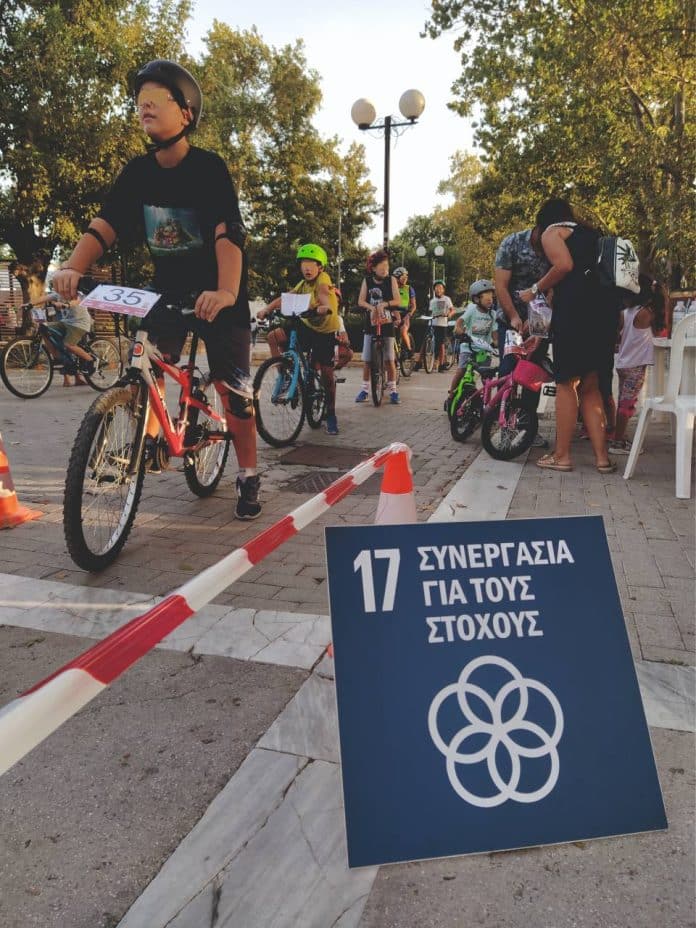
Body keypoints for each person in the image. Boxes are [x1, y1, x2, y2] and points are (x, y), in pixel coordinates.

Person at [52, 59, 261, 519]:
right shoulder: (137, 173)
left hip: (217, 295)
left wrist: (226, 292)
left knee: (233, 392)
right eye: (139, 100)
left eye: (155, 99)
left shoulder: (209, 169)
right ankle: (147, 442)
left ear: (185, 113)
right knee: (145, 362)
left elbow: (229, 233)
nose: (143, 106)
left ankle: (248, 474)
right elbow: (104, 226)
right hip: (166, 289)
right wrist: (71, 267)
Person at [519, 197, 620, 474]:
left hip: (577, 316)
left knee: (566, 384)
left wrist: (535, 289)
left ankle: (561, 456)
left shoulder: (554, 232)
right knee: (590, 386)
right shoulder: (592, 234)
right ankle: (602, 458)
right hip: (603, 315)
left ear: (544, 221)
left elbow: (563, 266)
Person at [257, 243, 341, 435]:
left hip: (325, 330)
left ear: (320, 267)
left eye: (312, 263)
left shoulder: (323, 279)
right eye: (304, 262)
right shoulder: (303, 285)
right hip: (308, 325)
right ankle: (284, 375)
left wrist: (324, 306)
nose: (307, 267)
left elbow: (323, 295)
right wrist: (266, 309)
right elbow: (286, 298)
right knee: (273, 337)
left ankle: (331, 413)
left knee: (327, 375)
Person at [494, 220, 552, 449]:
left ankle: (529, 427)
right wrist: (514, 317)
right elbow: (500, 285)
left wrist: (536, 322)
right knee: (508, 371)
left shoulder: (555, 247)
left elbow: (552, 289)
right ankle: (504, 425)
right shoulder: (512, 243)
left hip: (540, 322)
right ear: (538, 228)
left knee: (532, 377)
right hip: (510, 320)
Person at [609, 276, 666, 455]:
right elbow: (662, 330)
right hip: (636, 366)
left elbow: (618, 335)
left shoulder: (625, 313)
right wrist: (663, 297)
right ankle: (617, 443)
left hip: (623, 363)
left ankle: (620, 436)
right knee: (628, 403)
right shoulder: (646, 313)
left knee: (623, 401)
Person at [355, 249, 401, 404]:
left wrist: (384, 304)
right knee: (368, 359)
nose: (384, 268)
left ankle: (393, 390)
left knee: (389, 358)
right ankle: (365, 389)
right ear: (373, 268)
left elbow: (397, 301)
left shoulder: (391, 280)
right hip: (371, 322)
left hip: (387, 323)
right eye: (381, 265)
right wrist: (371, 307)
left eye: (386, 265)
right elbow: (360, 301)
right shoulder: (367, 280)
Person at [446, 279, 497, 405]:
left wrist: (496, 342)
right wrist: (458, 330)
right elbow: (460, 321)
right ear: (476, 299)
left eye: (491, 296)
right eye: (487, 297)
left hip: (484, 350)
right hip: (468, 347)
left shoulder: (493, 314)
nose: (490, 299)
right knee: (461, 370)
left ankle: (487, 403)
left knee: (486, 377)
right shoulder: (472, 310)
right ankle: (451, 394)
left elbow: (494, 332)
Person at [32, 291, 95, 386]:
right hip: (66, 322)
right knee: (44, 328)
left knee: (68, 344)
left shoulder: (77, 293)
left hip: (79, 324)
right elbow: (44, 298)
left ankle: (90, 360)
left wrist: (65, 305)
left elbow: (76, 301)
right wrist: (28, 304)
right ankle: (57, 356)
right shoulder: (58, 294)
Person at [429, 280, 455, 372]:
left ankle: (441, 364)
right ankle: (420, 362)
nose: (438, 289)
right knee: (428, 340)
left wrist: (448, 315)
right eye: (436, 288)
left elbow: (452, 310)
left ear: (443, 290)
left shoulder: (447, 299)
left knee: (441, 344)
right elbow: (431, 312)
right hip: (432, 323)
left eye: (440, 288)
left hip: (442, 324)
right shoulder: (432, 301)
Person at [392, 266, 416, 355]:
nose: (405, 279)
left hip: (405, 314)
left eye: (406, 277)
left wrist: (409, 315)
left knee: (403, 330)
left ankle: (409, 349)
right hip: (393, 313)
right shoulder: (392, 289)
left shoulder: (409, 289)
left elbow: (414, 306)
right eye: (403, 277)